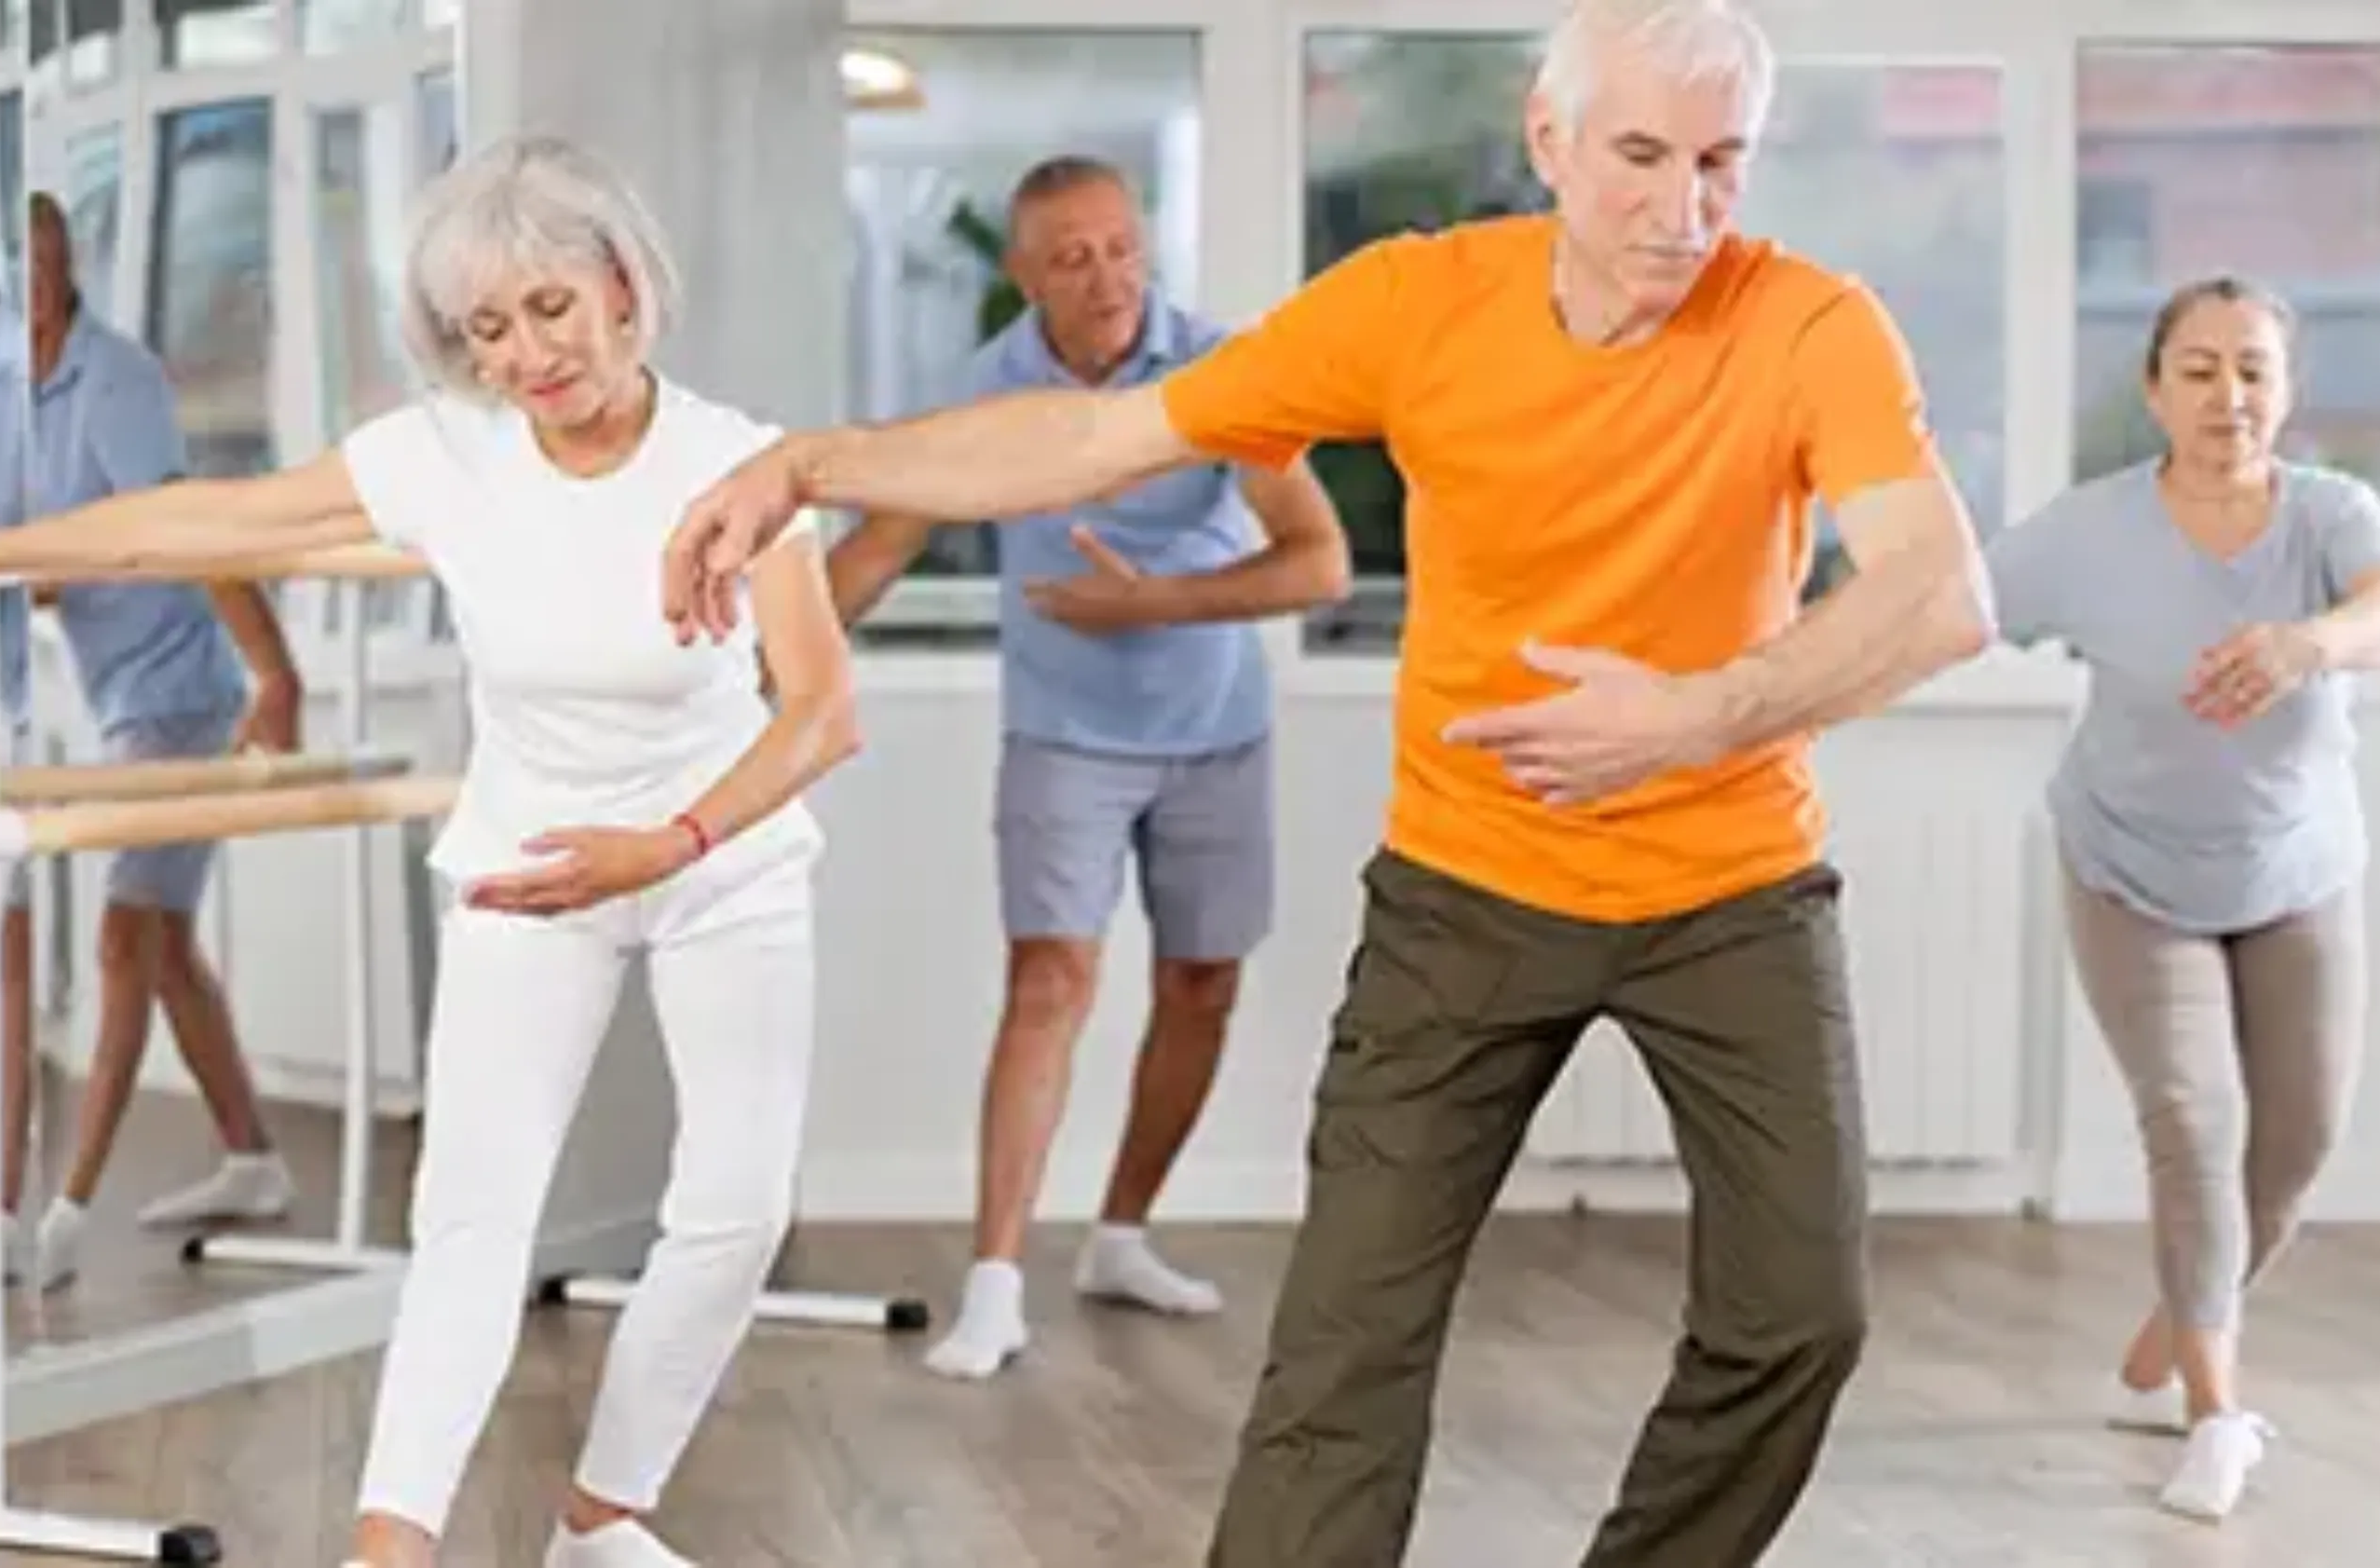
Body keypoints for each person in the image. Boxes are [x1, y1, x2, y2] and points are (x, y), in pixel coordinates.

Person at [663, 2, 1992, 1563]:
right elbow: (1098, 439)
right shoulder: (1420, 304)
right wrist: (813, 463)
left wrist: (1702, 714)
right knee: (1348, 1342)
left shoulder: (1808, 323)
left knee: (1802, 1315)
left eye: (1720, 162)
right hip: (1467, 894)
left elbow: (1941, 593)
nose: (1683, 209)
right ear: (1550, 143)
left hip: (1733, 892)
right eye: (1640, 154)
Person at [0, 135, 858, 1568]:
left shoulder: (737, 462)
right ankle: (386, 1549)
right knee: (472, 1214)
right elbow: (211, 517)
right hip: (531, 867)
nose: (526, 353)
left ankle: (602, 1518)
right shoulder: (445, 457)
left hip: (722, 853)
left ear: (625, 285)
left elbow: (825, 709)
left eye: (550, 308)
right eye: (487, 329)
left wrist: (674, 841)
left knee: (735, 1211)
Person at [826, 154, 1348, 1382]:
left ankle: (1120, 1231)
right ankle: (996, 1282)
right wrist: (753, 674)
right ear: (1024, 277)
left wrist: (1162, 600)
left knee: (1202, 983)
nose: (1106, 274)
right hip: (1064, 736)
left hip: (1218, 731)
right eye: (1071, 256)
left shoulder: (1224, 374)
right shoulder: (986, 394)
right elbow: (878, 548)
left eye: (1121, 245)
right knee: (1051, 979)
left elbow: (1321, 562)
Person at [1981, 276, 2380, 1521]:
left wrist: (2303, 643)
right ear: (2155, 387)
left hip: (2297, 870)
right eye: (2201, 369)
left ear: (2287, 388)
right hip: (2130, 868)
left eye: (2255, 370)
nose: (2230, 395)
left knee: (2299, 1141)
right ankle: (2216, 1411)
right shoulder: (2091, 531)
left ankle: (2173, 1323)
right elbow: (1956, 605)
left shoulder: (2333, 513)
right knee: (2191, 1118)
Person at [0, 173, 304, 1295]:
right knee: (160, 948)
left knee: (121, 942)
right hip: (96, 694)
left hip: (180, 692)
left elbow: (192, 531)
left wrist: (275, 673)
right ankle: (251, 1158)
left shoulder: (113, 381)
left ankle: (58, 1215)